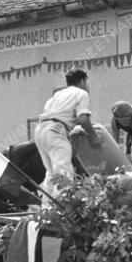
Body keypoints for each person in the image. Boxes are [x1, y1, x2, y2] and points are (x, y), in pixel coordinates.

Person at [34, 69, 100, 203]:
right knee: (64, 174)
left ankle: (47, 208)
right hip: (56, 131)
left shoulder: (57, 95)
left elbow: (59, 116)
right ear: (82, 81)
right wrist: (94, 138)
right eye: (87, 82)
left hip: (41, 131)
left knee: (52, 174)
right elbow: (83, 119)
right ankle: (64, 212)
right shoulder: (81, 93)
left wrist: (72, 132)